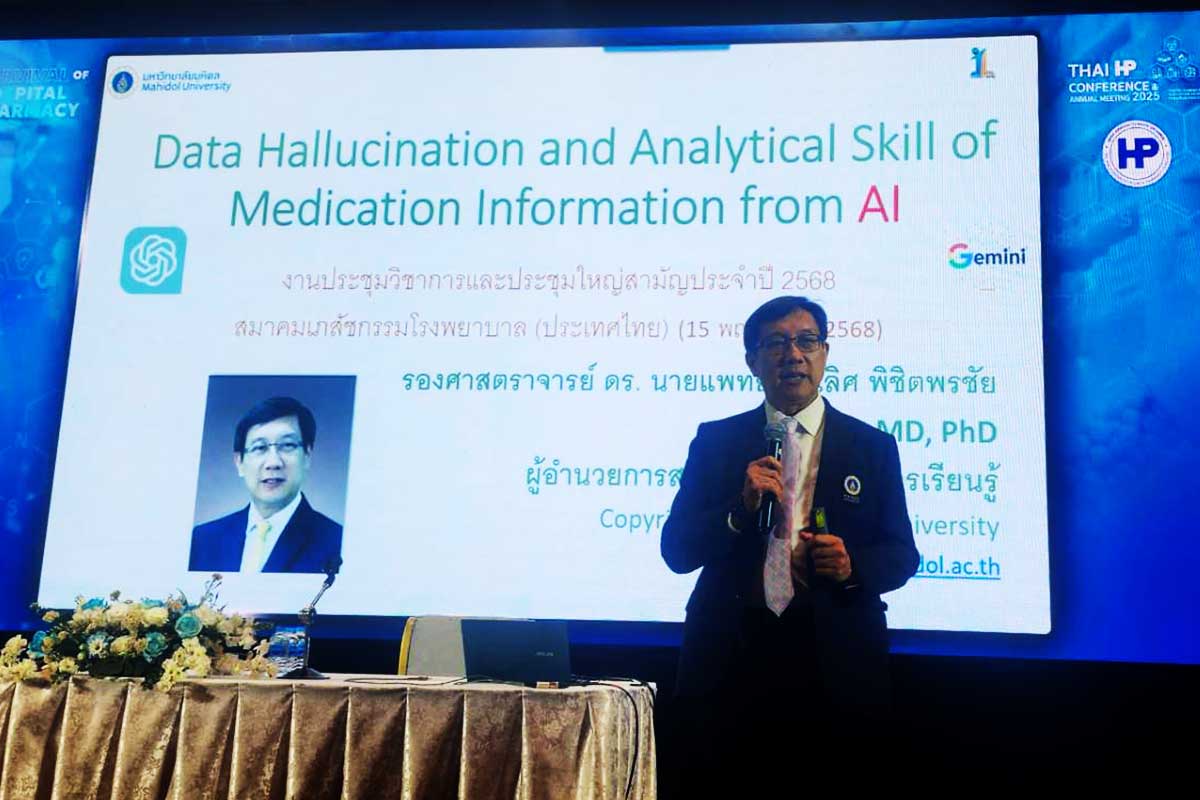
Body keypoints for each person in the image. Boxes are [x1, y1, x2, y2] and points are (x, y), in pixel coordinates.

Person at [661, 296, 918, 788]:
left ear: (825, 353)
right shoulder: (716, 442)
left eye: (806, 341)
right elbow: (676, 550)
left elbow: (902, 555)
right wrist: (738, 511)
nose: (793, 355)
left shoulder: (872, 446)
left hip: (834, 657)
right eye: (776, 343)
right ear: (752, 361)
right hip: (731, 654)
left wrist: (853, 567)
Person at [190, 396, 342, 573]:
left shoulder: (338, 542)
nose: (273, 462)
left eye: (287, 445)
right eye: (259, 448)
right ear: (239, 463)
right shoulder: (202, 540)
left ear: (307, 455)